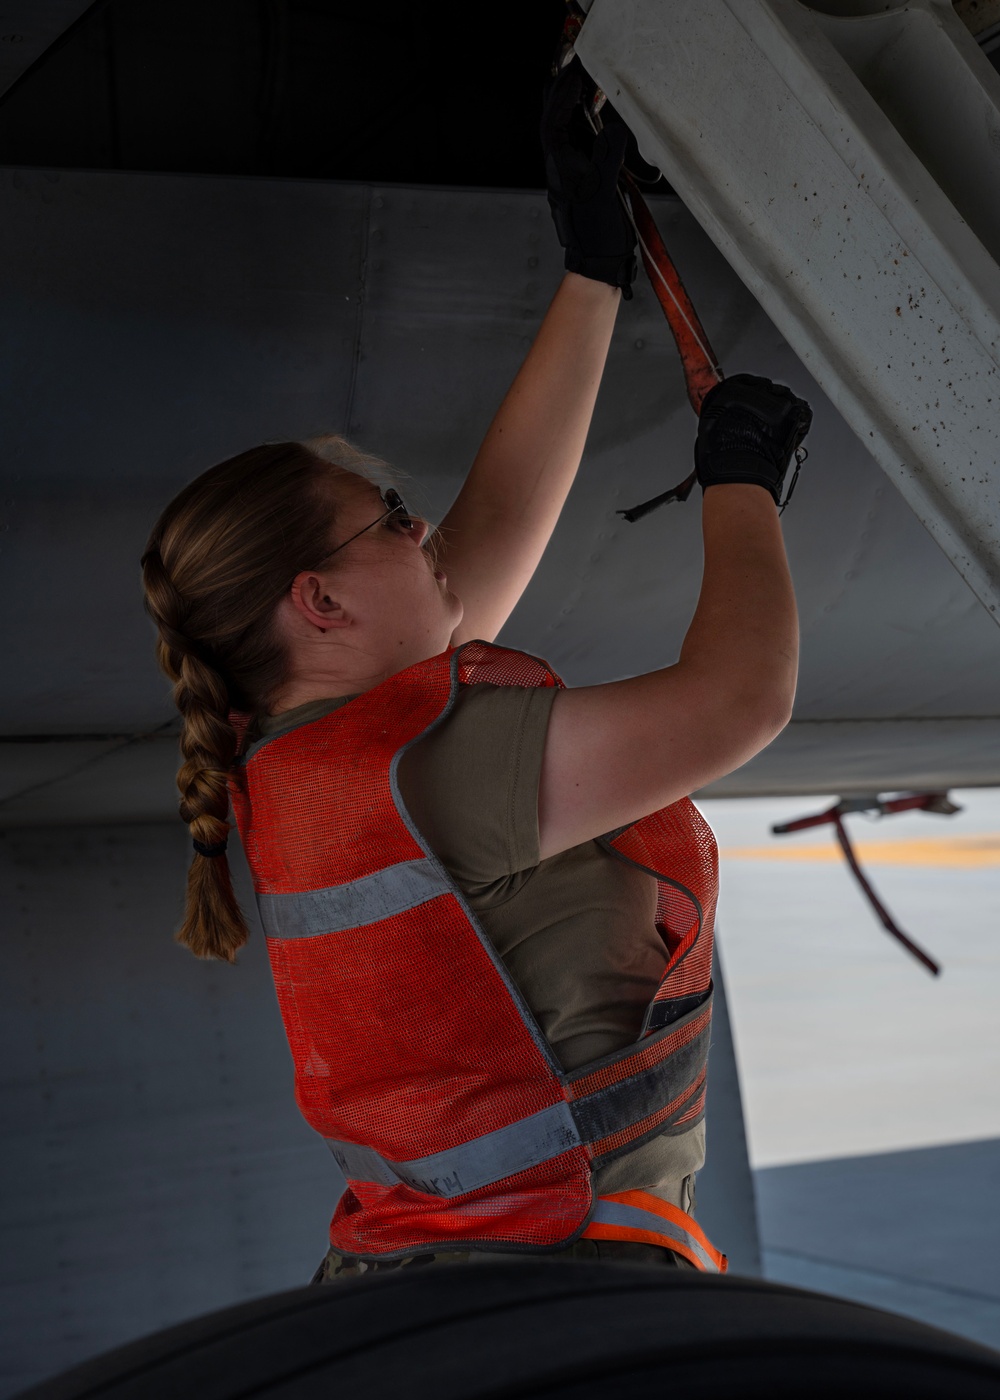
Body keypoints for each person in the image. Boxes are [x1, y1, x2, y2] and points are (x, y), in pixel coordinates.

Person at [140, 65, 810, 1281]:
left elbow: (493, 527)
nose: (425, 528)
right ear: (323, 601)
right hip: (564, 1277)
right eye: (391, 515)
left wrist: (592, 271)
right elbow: (737, 699)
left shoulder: (319, 761)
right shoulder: (437, 768)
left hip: (469, 1277)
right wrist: (743, 486)